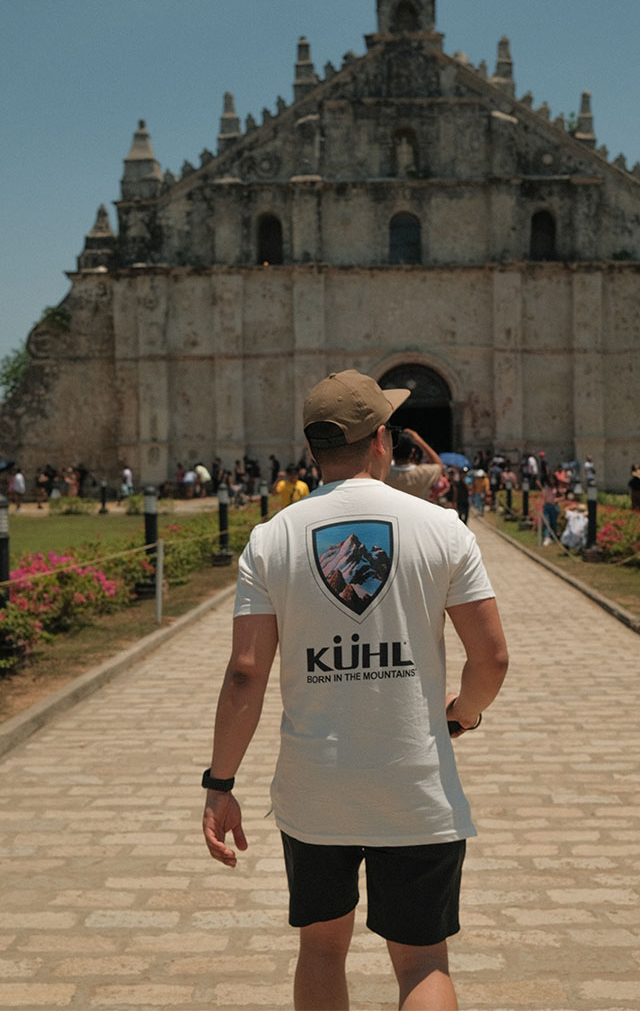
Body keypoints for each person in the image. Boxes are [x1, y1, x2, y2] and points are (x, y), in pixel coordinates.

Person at [202, 368, 508, 1011]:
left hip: (316, 784)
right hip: (414, 778)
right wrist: (464, 716)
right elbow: (493, 658)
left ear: (315, 452)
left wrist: (220, 782)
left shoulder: (271, 538)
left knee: (321, 949)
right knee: (422, 961)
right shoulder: (442, 528)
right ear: (381, 440)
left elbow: (245, 672)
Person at [385, 427, 444, 500]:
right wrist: (419, 440)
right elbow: (439, 465)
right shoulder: (424, 472)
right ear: (412, 451)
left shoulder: (385, 474)